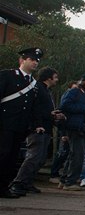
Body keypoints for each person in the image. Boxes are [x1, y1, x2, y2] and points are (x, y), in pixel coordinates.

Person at [9, 67, 64, 196]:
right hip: (38, 129)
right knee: (33, 157)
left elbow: (43, 110)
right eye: (55, 77)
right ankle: (18, 182)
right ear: (48, 78)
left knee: (40, 158)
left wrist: (53, 116)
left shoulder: (46, 91)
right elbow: (34, 108)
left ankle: (27, 182)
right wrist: (37, 124)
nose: (56, 80)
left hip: (46, 128)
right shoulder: (38, 89)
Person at [0, 47, 43, 198]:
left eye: (37, 60)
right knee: (2, 155)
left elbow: (33, 106)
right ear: (22, 60)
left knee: (12, 157)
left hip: (20, 126)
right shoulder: (7, 76)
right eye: (32, 59)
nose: (35, 63)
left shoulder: (33, 83)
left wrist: (37, 123)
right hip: (4, 124)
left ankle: (4, 187)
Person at [59, 73, 85, 191]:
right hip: (74, 127)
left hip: (81, 127)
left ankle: (64, 180)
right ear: (83, 82)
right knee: (77, 156)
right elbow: (64, 106)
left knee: (73, 155)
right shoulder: (74, 92)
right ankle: (70, 182)